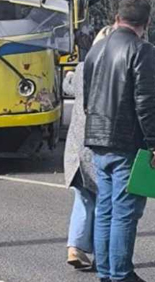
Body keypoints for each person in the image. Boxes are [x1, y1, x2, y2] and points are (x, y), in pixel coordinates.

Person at [84, 0, 155, 282]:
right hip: (127, 142)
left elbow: (88, 97)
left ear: (117, 18)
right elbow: (147, 102)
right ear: (146, 23)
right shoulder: (142, 50)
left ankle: (106, 272)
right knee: (125, 213)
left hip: (98, 139)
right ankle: (121, 273)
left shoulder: (96, 49)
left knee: (105, 210)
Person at [64, 25, 115, 270]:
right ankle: (101, 255)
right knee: (106, 202)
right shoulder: (112, 71)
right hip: (99, 146)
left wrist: (68, 76)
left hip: (76, 150)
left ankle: (75, 247)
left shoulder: (83, 69)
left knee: (84, 199)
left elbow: (69, 87)